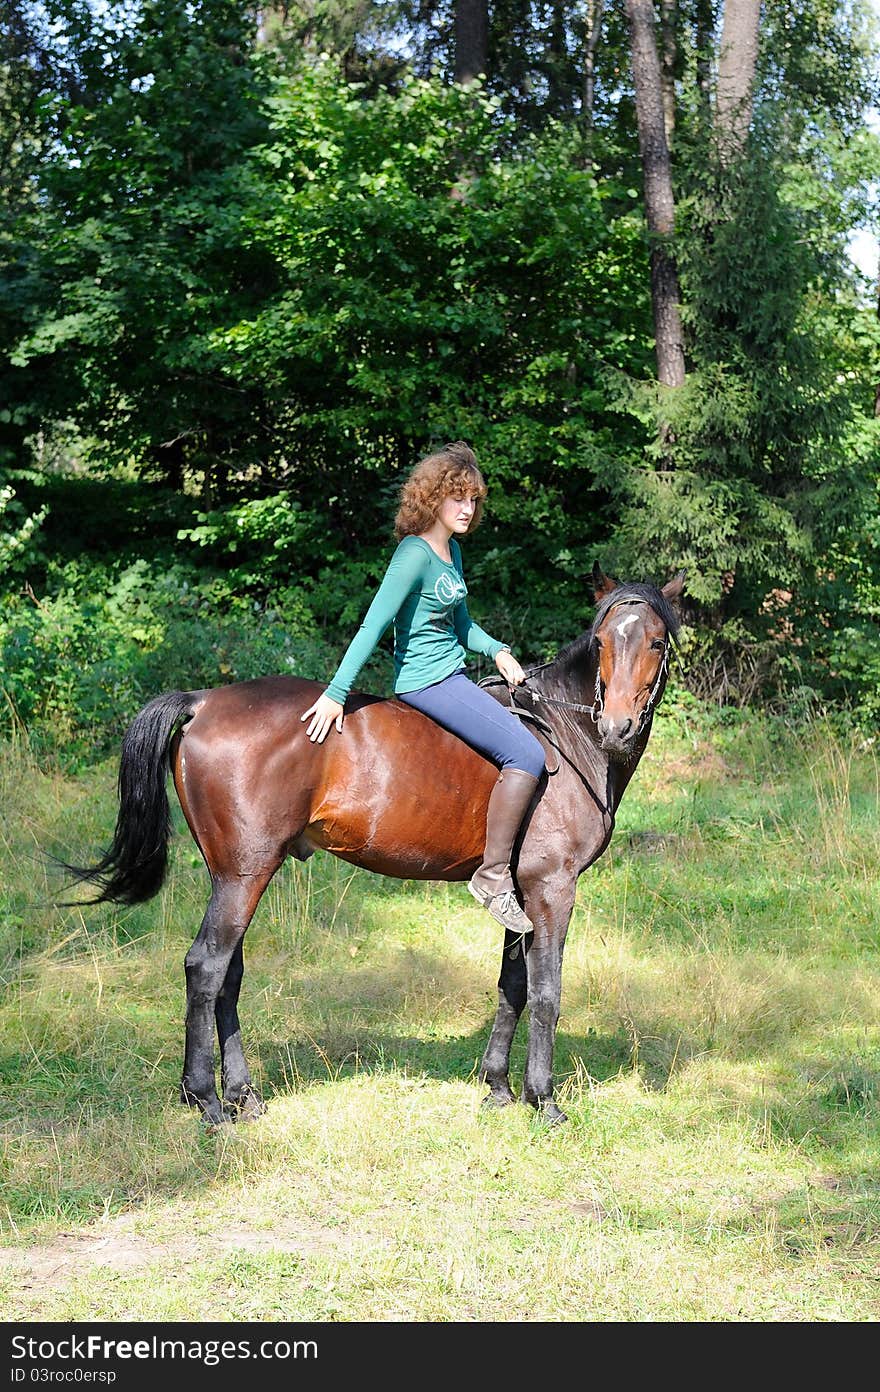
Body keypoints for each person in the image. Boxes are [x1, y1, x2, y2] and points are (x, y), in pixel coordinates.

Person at [301, 441, 545, 936]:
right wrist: (335, 692)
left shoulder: (451, 550)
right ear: (432, 499)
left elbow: (463, 625)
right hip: (427, 682)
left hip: (453, 672)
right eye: (458, 499)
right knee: (527, 755)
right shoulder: (413, 555)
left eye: (473, 501)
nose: (467, 509)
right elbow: (372, 626)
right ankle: (494, 878)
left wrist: (497, 650)